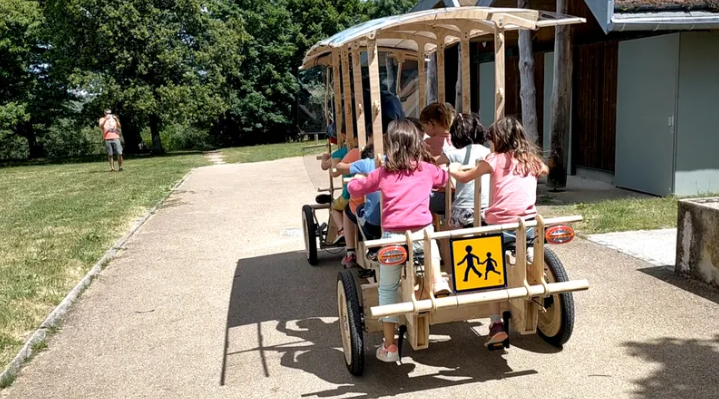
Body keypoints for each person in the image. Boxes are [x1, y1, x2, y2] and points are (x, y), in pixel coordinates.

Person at [348, 119, 452, 363]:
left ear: (390, 145)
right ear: (417, 143)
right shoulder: (426, 169)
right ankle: (436, 281)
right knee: (431, 244)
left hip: (393, 238)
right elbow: (445, 179)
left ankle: (390, 346)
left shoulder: (383, 172)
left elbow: (356, 188)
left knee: (387, 289)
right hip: (421, 235)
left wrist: (356, 180)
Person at [449, 116, 549, 347]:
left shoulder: (493, 159)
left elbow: (465, 176)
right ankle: (537, 272)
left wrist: (453, 169)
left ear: (498, 140)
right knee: (530, 247)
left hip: (499, 226)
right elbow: (544, 170)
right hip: (527, 224)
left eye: (492, 139)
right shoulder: (530, 159)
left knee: (492, 273)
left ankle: (495, 324)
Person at [435, 113, 491, 228]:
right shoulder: (489, 153)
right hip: (487, 208)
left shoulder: (455, 153)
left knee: (448, 225)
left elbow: (434, 161)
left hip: (463, 210)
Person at [419, 103, 456, 215]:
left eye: (424, 127)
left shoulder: (427, 144)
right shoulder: (458, 141)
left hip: (439, 195)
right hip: (459, 194)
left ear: (431, 124)